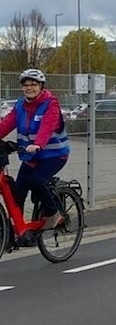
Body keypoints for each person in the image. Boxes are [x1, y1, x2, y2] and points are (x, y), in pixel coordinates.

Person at [0, 69, 70, 244]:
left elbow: (47, 126)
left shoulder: (50, 104)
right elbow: (7, 123)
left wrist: (38, 144)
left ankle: (54, 213)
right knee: (18, 192)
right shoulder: (20, 106)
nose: (29, 88)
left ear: (41, 86)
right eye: (25, 85)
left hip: (54, 155)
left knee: (36, 181)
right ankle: (19, 230)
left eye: (33, 84)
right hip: (31, 157)